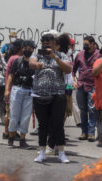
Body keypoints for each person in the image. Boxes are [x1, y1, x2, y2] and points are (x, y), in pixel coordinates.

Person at [30, 32, 72, 163]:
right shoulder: (37, 54)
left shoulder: (61, 55)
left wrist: (55, 57)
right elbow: (31, 63)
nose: (46, 42)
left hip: (57, 95)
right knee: (43, 125)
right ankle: (42, 152)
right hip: (40, 95)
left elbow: (68, 69)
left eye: (49, 40)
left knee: (58, 124)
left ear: (55, 43)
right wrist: (37, 65)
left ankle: (61, 153)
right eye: (44, 40)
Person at [5, 40, 35, 148]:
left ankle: (22, 140)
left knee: (26, 117)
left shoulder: (35, 63)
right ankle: (11, 138)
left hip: (29, 91)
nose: (28, 49)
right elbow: (11, 76)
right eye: (25, 47)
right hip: (17, 90)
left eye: (30, 48)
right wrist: (7, 90)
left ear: (33, 49)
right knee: (14, 115)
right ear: (22, 49)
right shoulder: (17, 61)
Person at [73, 36, 101, 141]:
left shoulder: (99, 54)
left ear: (93, 44)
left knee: (93, 109)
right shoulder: (80, 54)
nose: (85, 46)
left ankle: (91, 132)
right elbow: (73, 68)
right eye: (84, 44)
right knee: (83, 110)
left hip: (94, 85)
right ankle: (84, 132)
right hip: (81, 85)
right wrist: (73, 80)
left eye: (87, 44)